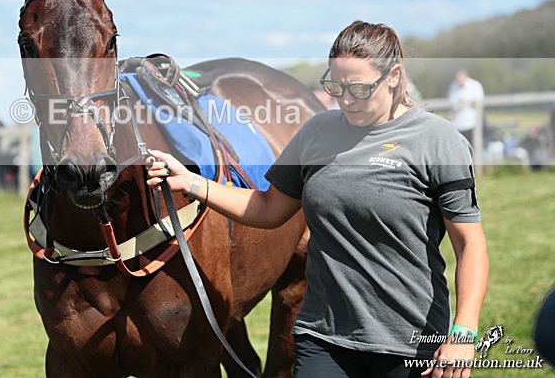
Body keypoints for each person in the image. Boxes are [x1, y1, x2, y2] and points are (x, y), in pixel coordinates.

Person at [146, 21, 489, 377]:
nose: (345, 99)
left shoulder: (438, 141)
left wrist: (464, 332)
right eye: (335, 86)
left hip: (410, 340)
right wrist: (192, 182)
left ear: (393, 76)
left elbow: (470, 245)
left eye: (358, 88)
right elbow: (267, 208)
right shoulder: (316, 133)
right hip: (323, 337)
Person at [447, 69, 485, 148]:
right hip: (456, 124)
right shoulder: (453, 86)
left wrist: (465, 102)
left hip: (471, 123)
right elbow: (450, 104)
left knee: (472, 147)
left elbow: (480, 104)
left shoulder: (475, 86)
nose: (458, 80)